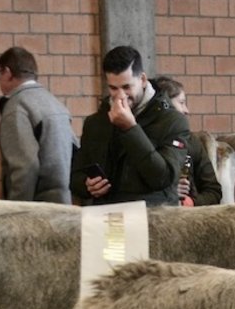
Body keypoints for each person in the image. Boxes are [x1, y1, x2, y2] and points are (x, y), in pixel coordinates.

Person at [69, 47, 189, 208]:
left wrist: (130, 129)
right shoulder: (95, 122)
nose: (121, 95)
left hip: (153, 214)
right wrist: (87, 185)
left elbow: (163, 178)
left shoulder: (172, 121)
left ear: (143, 80)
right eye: (113, 88)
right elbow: (76, 175)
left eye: (127, 87)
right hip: (107, 213)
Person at [0, 46, 76, 204]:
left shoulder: (16, 107)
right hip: (63, 203)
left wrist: (16, 211)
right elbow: (75, 151)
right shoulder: (55, 103)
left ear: (8, 72)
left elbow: (24, 167)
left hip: (37, 207)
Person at [149, 75, 223, 206]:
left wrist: (192, 202)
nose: (186, 110)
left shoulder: (192, 142)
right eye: (181, 103)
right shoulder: (140, 141)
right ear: (165, 104)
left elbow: (214, 191)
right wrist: (168, 193)